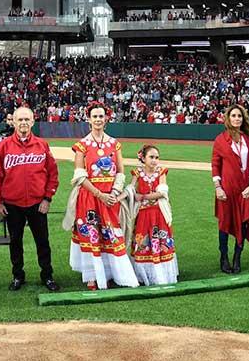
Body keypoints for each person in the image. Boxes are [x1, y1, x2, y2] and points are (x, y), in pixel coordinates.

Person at [63, 102, 139, 290]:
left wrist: (113, 192)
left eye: (101, 116)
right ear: (88, 119)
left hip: (110, 198)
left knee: (111, 235)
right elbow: (80, 176)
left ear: (106, 119)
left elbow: (120, 171)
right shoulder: (81, 146)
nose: (98, 119)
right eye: (94, 116)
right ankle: (92, 275)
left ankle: (112, 273)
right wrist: (99, 194)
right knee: (92, 234)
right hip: (89, 197)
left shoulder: (115, 144)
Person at [0, 107, 60, 292]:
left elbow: (53, 174)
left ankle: (47, 275)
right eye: (19, 119)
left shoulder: (41, 145)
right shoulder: (4, 146)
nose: (23, 123)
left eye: (26, 119)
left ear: (33, 121)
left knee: (43, 242)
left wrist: (47, 198)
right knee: (15, 242)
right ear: (13, 121)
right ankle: (17, 275)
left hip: (38, 204)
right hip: (12, 204)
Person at [211, 104, 249, 274]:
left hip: (245, 189)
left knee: (244, 223)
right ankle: (223, 257)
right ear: (228, 119)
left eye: (239, 116)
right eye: (233, 116)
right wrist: (218, 187)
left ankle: (237, 258)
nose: (237, 118)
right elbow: (215, 165)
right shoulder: (220, 140)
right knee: (224, 223)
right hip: (226, 189)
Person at [122, 144, 178, 285]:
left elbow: (163, 192)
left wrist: (144, 197)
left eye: (157, 157)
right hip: (143, 215)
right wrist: (122, 195)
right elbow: (131, 190)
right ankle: (144, 275)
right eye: (151, 157)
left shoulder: (161, 172)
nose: (154, 160)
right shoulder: (137, 173)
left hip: (158, 214)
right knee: (143, 241)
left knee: (160, 240)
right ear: (143, 158)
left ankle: (161, 274)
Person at [0, 112, 15, 223]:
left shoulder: (17, 132)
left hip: (16, 168)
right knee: (1, 189)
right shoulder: (4, 130)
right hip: (4, 166)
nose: (10, 122)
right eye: (8, 119)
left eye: (12, 119)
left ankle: (26, 218)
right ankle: (2, 214)